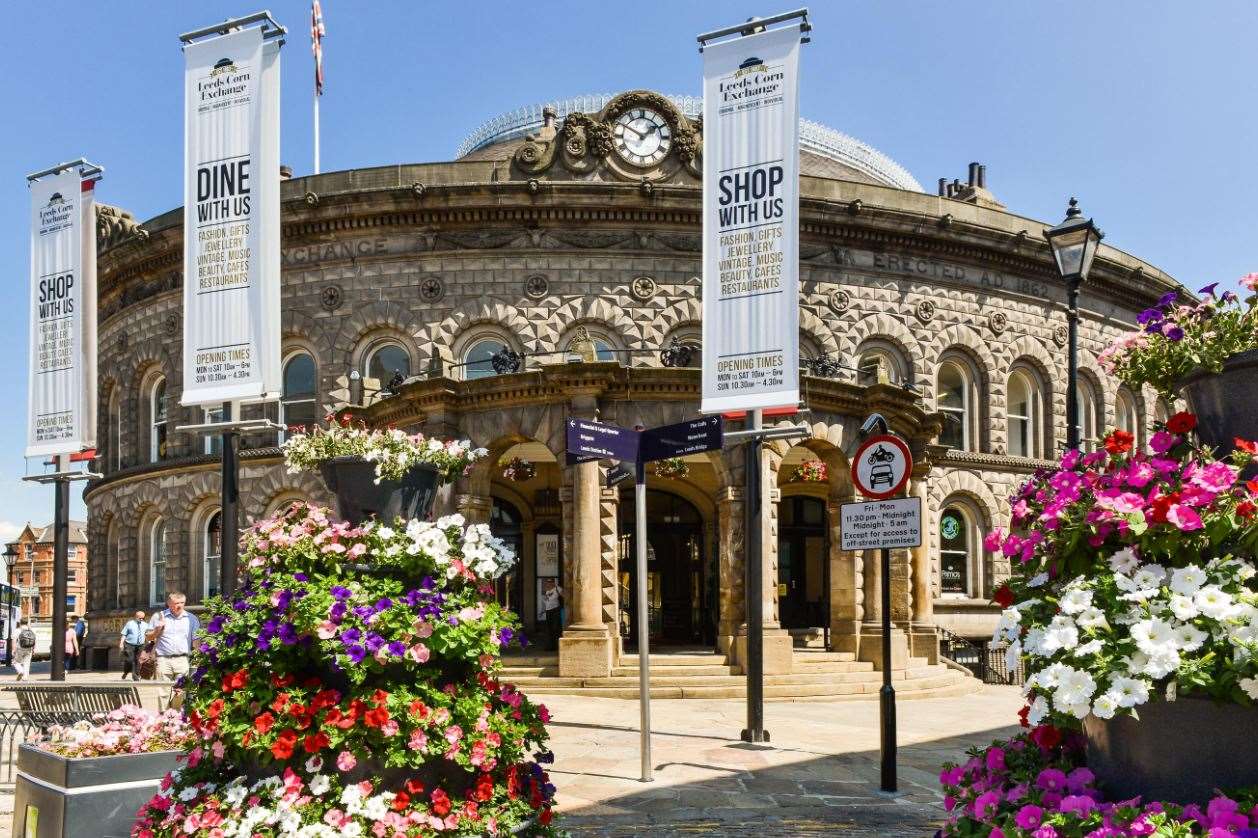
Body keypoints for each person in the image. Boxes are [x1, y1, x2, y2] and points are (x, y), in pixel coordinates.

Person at [147, 592, 200, 709]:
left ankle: (175, 716)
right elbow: (148, 637)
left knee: (180, 691)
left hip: (182, 659)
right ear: (169, 604)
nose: (179, 606)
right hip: (163, 660)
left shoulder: (192, 619)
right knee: (163, 693)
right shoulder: (159, 616)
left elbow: (196, 640)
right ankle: (163, 719)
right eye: (176, 603)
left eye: (182, 603)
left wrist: (199, 656)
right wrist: (157, 629)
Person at [119, 610, 148, 682]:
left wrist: (150, 642)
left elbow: (147, 635)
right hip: (129, 644)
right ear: (136, 617)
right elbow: (124, 634)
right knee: (129, 660)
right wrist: (121, 643)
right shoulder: (130, 624)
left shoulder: (145, 625)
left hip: (140, 645)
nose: (141, 619)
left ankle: (136, 676)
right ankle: (126, 672)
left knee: (137, 660)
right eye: (140, 618)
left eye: (143, 618)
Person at [541, 579, 563, 651]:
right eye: (548, 582)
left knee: (556, 628)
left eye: (550, 582)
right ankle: (550, 646)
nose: (549, 583)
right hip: (548, 611)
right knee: (549, 629)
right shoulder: (547, 591)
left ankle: (558, 646)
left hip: (555, 610)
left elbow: (565, 596)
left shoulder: (557, 588)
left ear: (553, 582)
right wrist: (542, 611)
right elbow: (546, 602)